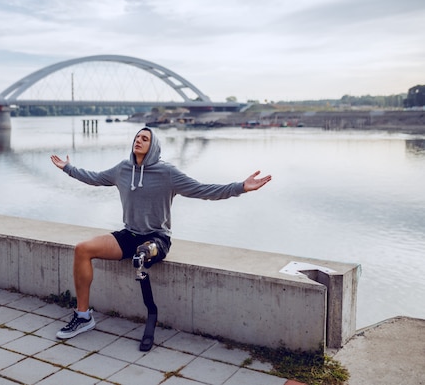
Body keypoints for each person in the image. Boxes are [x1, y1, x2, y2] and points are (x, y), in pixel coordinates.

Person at [50, 127, 271, 340]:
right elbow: (94, 177)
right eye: (137, 137)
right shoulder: (122, 169)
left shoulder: (167, 173)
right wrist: (68, 168)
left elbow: (203, 190)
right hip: (130, 234)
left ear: (153, 145)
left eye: (145, 138)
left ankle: (145, 258)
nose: (138, 140)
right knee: (82, 249)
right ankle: (83, 317)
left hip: (157, 238)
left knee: (143, 251)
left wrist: (241, 187)